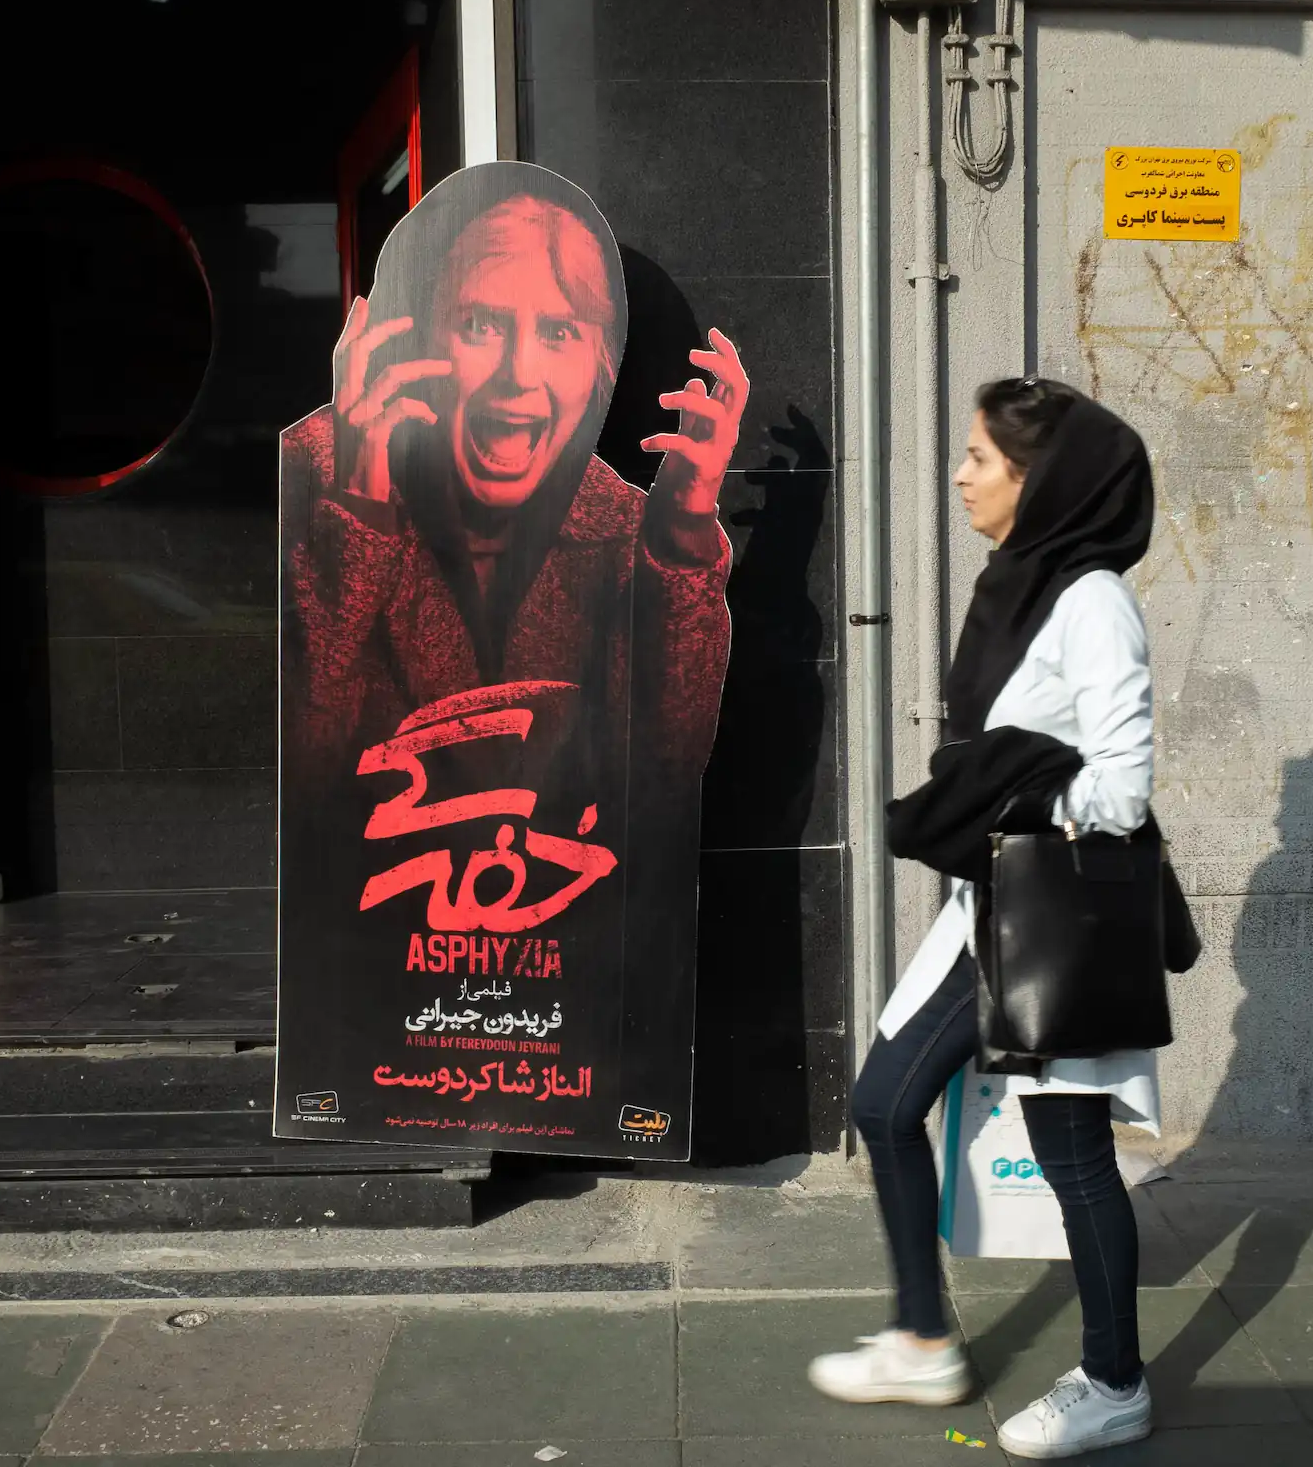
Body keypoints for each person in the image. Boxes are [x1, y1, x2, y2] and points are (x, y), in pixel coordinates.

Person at [809, 377, 1161, 1459]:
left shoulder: (1089, 599)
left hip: (1045, 922)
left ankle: (1113, 1384)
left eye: (978, 459)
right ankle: (922, 1339)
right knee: (881, 1103)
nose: (958, 475)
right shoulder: (1019, 584)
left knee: (1072, 1156)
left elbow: (1123, 785)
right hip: (985, 910)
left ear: (1038, 480)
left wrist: (1012, 792)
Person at [283, 163, 745, 804]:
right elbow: (297, 774)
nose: (519, 373)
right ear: (415, 339)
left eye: (559, 332)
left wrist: (686, 529)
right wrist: (360, 512)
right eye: (481, 324)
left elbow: (667, 771)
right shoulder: (307, 467)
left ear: (600, 370)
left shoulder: (622, 526)